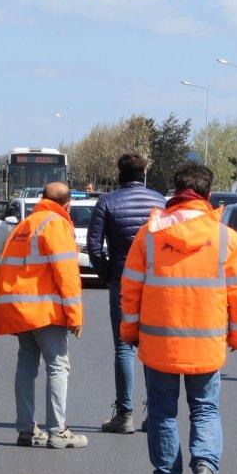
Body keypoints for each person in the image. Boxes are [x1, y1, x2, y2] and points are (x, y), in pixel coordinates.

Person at [119, 163, 237, 474]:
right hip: (206, 344)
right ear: (207, 194)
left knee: (162, 412)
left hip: (159, 342)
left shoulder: (149, 235)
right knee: (205, 408)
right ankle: (205, 465)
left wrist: (130, 331)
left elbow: (131, 290)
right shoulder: (226, 238)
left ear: (174, 193)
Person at [0, 182, 87, 449]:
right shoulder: (56, 224)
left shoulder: (26, 224)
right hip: (46, 311)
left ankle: (25, 429)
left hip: (21, 311)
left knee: (26, 367)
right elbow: (67, 273)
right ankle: (57, 431)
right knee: (57, 367)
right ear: (67, 205)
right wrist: (75, 314)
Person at [86, 153, 166, 434]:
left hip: (122, 279)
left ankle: (124, 414)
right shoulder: (160, 202)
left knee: (123, 346)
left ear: (119, 173)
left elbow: (94, 247)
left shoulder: (107, 202)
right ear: (144, 173)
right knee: (151, 346)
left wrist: (108, 275)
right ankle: (153, 413)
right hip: (155, 281)